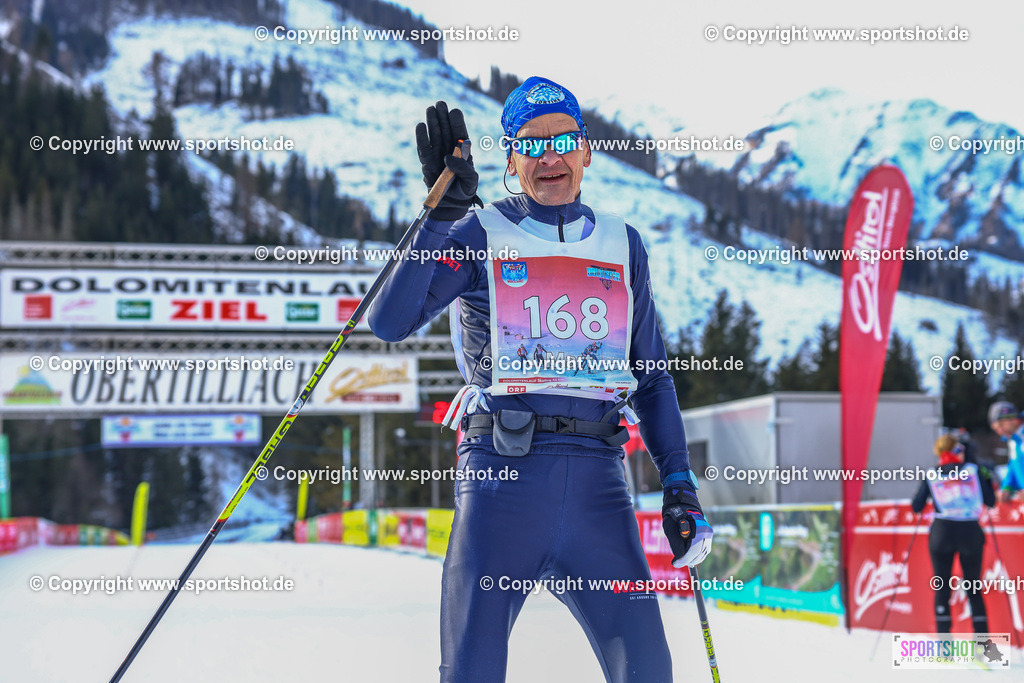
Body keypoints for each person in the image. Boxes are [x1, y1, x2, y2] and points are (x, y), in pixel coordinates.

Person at [368, 77, 712, 682]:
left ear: (586, 151)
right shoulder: (480, 233)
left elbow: (653, 379)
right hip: (502, 486)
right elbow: (390, 322)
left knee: (649, 672)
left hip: (599, 490)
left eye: (563, 140)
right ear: (511, 160)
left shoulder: (622, 243)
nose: (549, 157)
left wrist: (679, 485)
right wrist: (439, 217)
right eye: (531, 144)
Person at [911, 433, 995, 634]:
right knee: (973, 587)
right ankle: (982, 643)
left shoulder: (932, 473)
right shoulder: (974, 470)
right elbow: (991, 501)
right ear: (956, 451)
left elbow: (917, 506)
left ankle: (944, 643)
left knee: (942, 587)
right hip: (970, 531)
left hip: (942, 533)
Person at [989, 401, 1024, 503]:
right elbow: (1014, 466)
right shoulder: (1014, 440)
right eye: (996, 429)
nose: (1000, 431)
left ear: (1013, 419)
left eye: (1001, 425)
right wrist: (1007, 488)